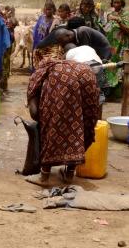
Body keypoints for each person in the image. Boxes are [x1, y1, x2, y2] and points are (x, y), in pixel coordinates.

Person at [27, 54, 100, 183]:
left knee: (52, 127)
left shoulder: (38, 75)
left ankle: (44, 177)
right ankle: (69, 175)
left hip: (64, 80)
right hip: (88, 74)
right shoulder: (69, 64)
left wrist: (43, 120)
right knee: (80, 126)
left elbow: (34, 112)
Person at [103, 0, 129, 87]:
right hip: (112, 45)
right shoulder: (109, 14)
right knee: (111, 65)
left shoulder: (126, 14)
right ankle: (111, 87)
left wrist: (118, 21)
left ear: (122, 3)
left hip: (122, 44)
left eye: (118, 3)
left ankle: (121, 89)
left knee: (122, 65)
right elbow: (106, 28)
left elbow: (128, 31)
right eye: (114, 2)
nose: (116, 5)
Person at [1, 6, 18, 92]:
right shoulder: (5, 24)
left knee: (5, 65)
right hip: (6, 48)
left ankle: (4, 85)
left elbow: (15, 23)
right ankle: (4, 85)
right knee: (5, 66)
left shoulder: (9, 25)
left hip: (7, 48)